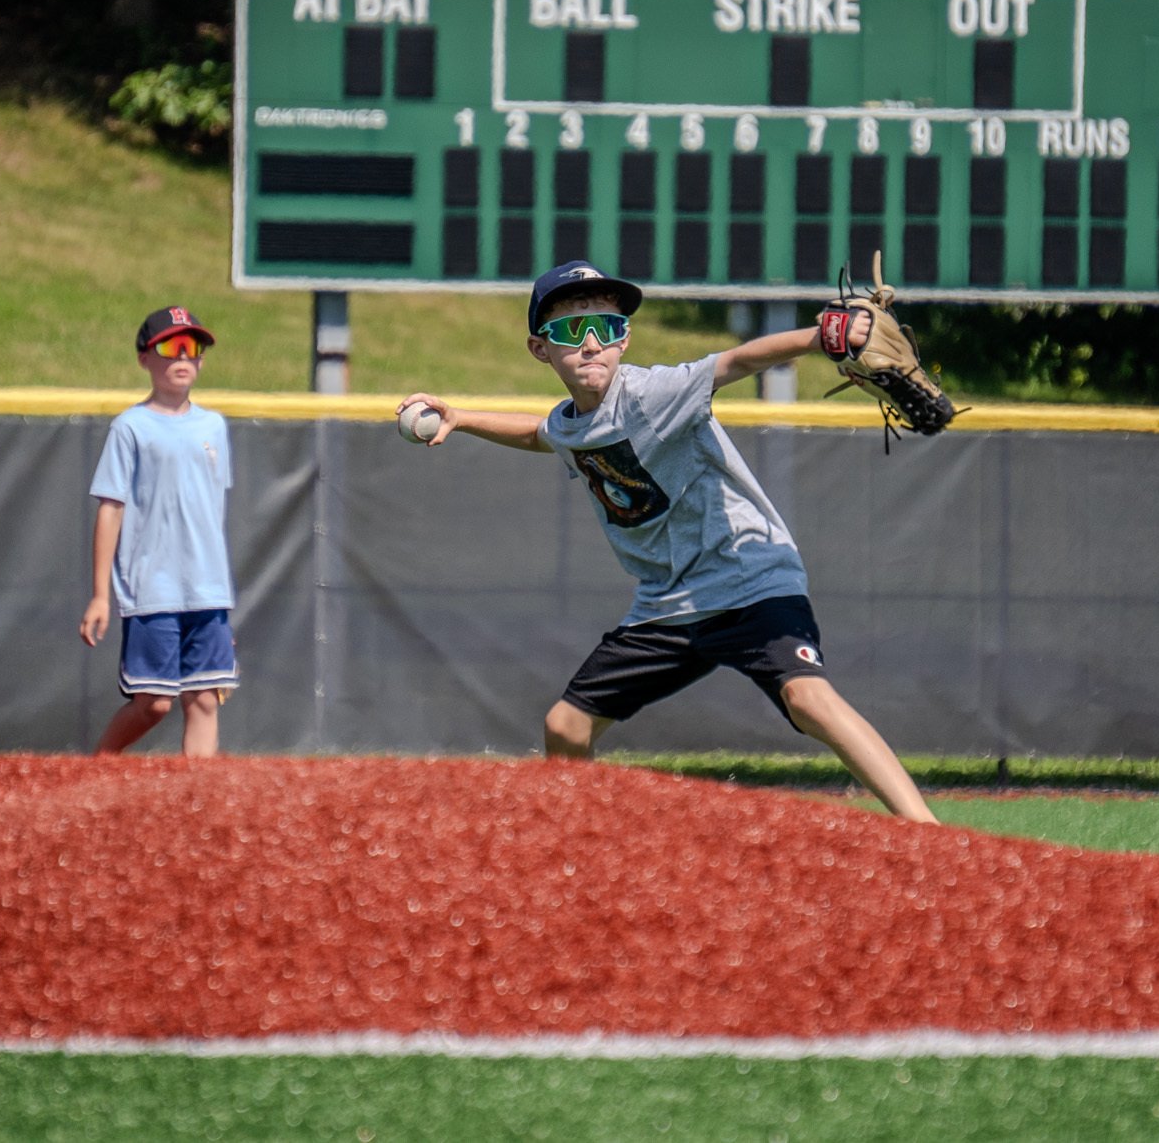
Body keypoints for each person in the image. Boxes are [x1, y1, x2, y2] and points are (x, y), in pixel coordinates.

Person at [398, 262, 939, 823]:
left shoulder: (653, 394)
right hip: (667, 605)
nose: (590, 344)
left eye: (606, 328)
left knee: (807, 699)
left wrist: (819, 337)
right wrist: (461, 417)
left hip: (748, 578)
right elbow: (542, 434)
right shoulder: (573, 423)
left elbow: (735, 362)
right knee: (566, 725)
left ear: (624, 339)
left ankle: (925, 833)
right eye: (571, 330)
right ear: (540, 349)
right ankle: (579, 843)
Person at [79, 306, 239, 757]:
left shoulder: (213, 426)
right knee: (153, 703)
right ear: (144, 358)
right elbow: (111, 509)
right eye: (171, 346)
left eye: (194, 346)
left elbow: (212, 512)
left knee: (205, 699)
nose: (183, 356)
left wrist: (221, 593)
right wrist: (100, 595)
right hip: (152, 588)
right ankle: (99, 766)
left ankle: (198, 798)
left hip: (207, 590)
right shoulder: (130, 427)